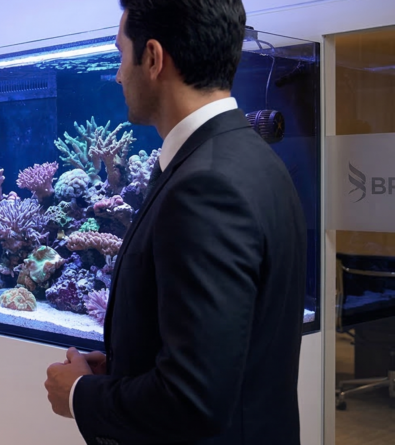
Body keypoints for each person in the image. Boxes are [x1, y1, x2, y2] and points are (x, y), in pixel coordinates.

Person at [43, 1, 307, 444]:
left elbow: (193, 399)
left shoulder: (204, 186)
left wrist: (82, 394)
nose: (117, 74)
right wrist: (127, 368)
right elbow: (227, 352)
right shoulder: (254, 159)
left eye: (119, 54)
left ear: (152, 58)